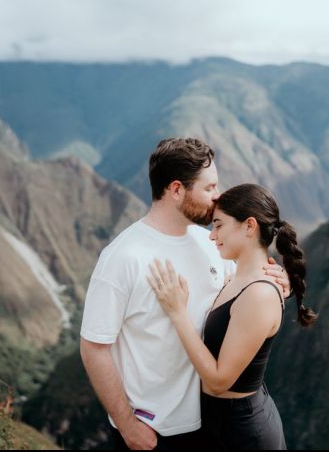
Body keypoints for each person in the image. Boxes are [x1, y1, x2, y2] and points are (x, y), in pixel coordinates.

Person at [80, 138, 290, 450]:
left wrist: (278, 278)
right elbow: (94, 347)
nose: (218, 196)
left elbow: (246, 294)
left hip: (211, 427)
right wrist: (126, 424)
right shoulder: (123, 257)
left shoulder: (211, 244)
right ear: (177, 189)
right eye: (209, 188)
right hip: (154, 432)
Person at [147, 183, 316, 450]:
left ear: (249, 226)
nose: (212, 236)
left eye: (219, 225)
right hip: (219, 424)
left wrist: (177, 314)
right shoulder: (235, 276)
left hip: (243, 433)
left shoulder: (258, 294)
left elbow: (217, 381)